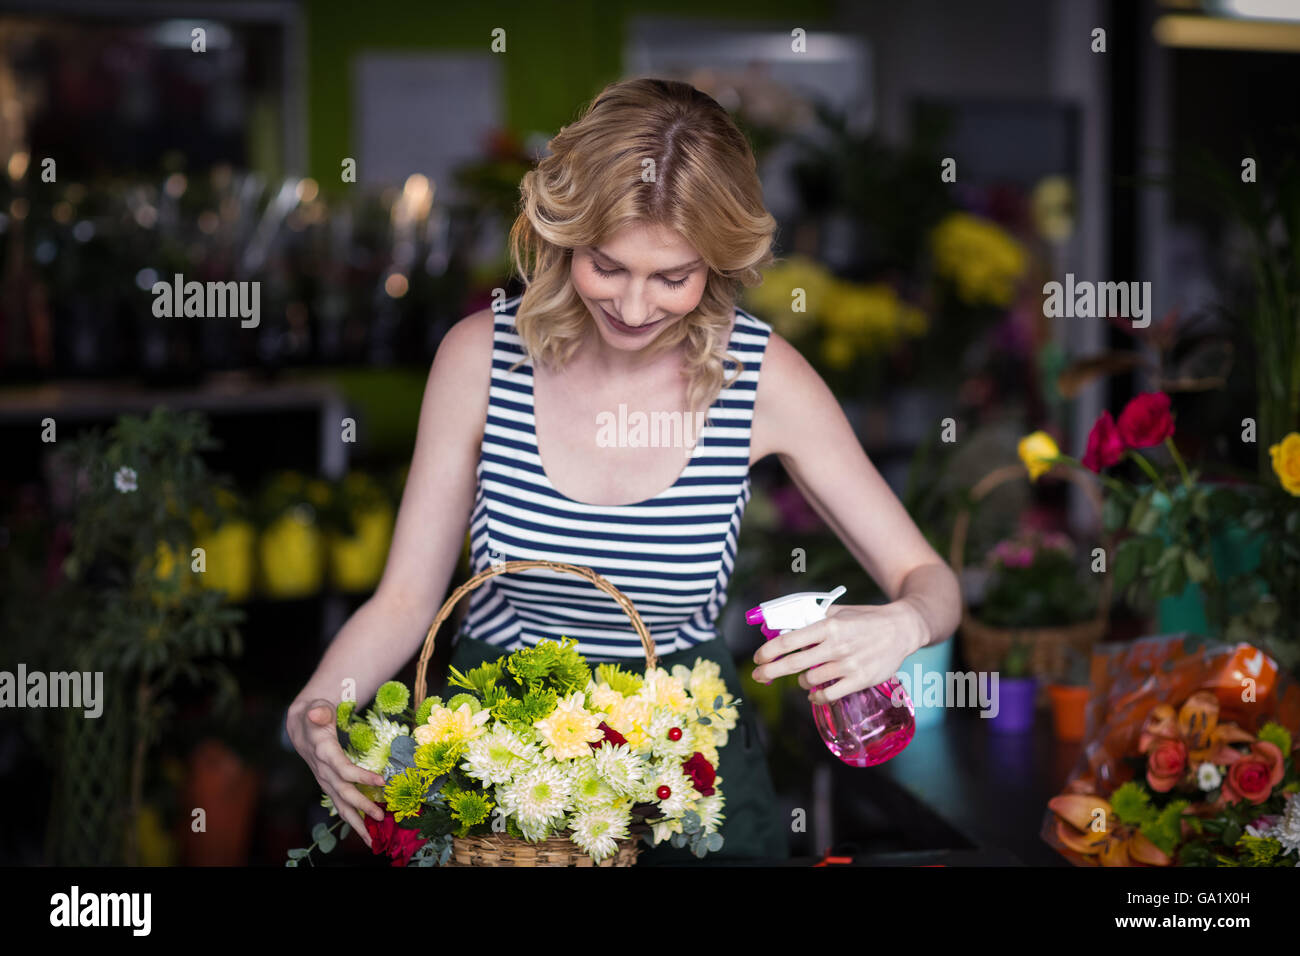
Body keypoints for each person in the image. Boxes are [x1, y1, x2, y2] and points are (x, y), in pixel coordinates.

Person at [286, 76, 961, 864]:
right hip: (497, 757)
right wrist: (315, 706)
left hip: (686, 761)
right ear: (564, 234)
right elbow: (405, 601)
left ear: (717, 261)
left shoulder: (761, 379)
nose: (635, 308)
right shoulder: (480, 359)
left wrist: (905, 624)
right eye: (607, 266)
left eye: (673, 277)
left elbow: (929, 577)